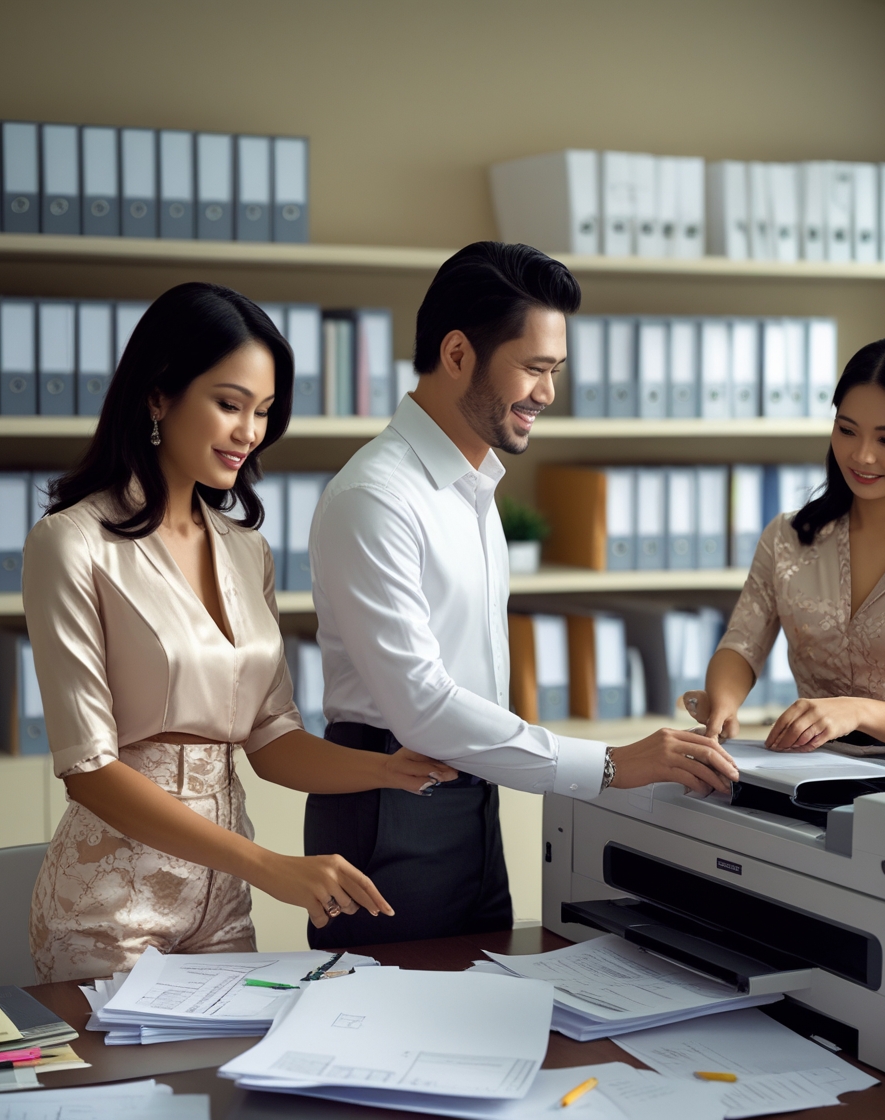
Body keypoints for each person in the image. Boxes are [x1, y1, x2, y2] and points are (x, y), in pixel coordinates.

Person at [306, 242, 740, 948]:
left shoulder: (473, 490)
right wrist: (609, 765)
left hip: (472, 797)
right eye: (533, 369)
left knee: (479, 1014)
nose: (547, 393)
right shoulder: (376, 499)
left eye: (554, 371)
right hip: (391, 805)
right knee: (390, 1029)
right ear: (456, 354)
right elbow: (422, 707)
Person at [23, 282, 459, 983]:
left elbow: (270, 739)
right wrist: (270, 866)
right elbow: (89, 773)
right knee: (128, 1093)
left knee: (231, 1086)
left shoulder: (245, 550)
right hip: (108, 909)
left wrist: (385, 771)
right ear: (159, 395)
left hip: (221, 905)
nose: (248, 432)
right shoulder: (70, 544)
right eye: (229, 404)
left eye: (261, 411)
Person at [687, 336, 885, 754]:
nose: (861, 455)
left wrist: (855, 711)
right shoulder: (786, 538)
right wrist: (723, 703)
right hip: (797, 767)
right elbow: (742, 646)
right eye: (847, 430)